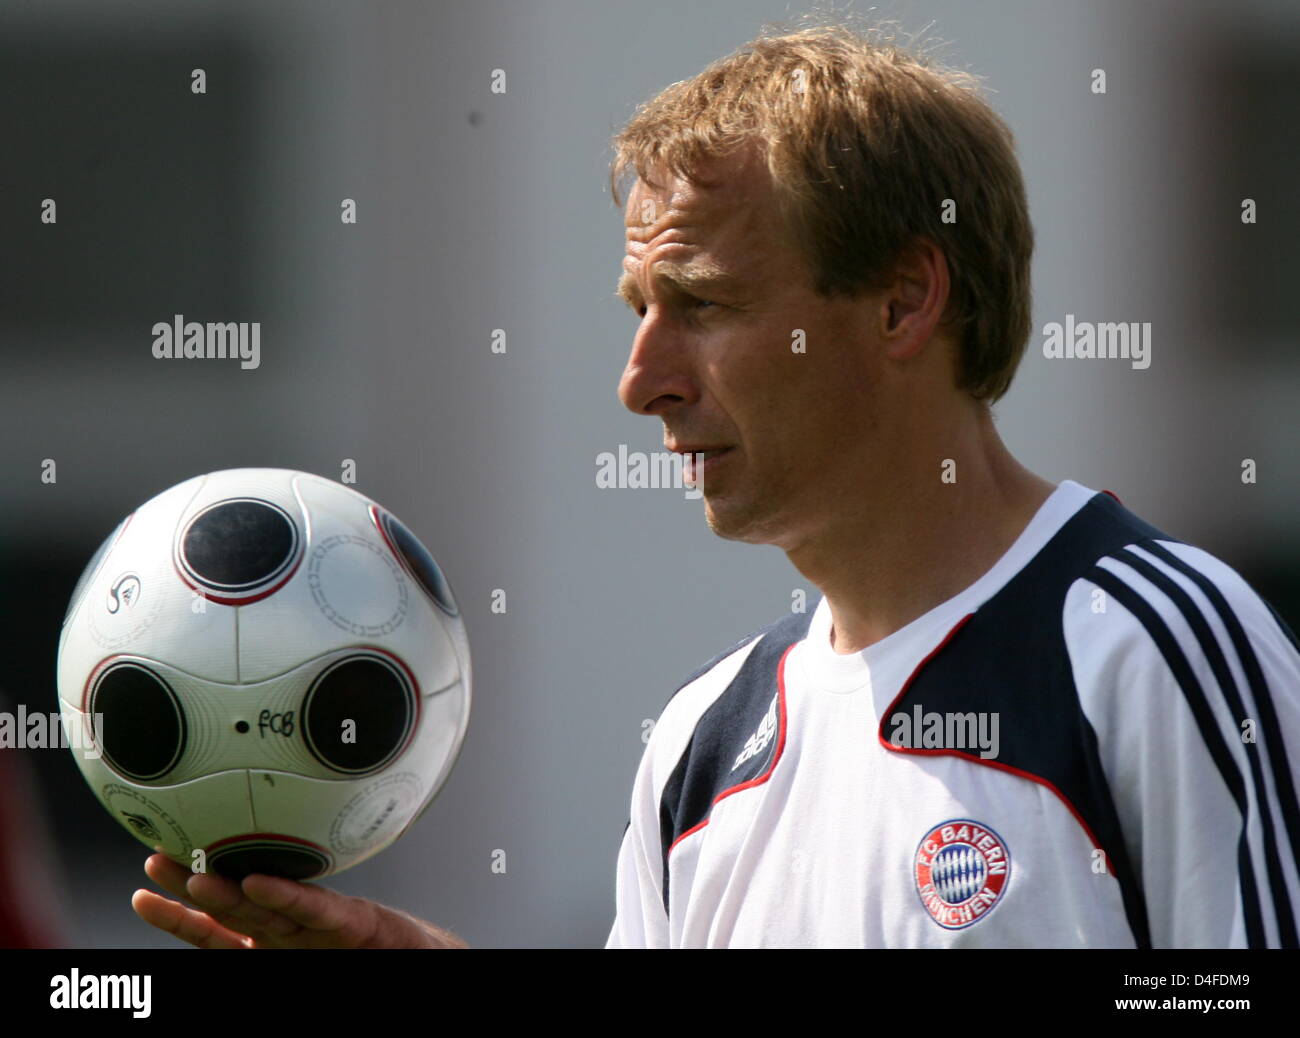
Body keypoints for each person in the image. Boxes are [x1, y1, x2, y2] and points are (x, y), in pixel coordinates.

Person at [133, 22, 1300, 949]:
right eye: (641, 314)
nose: (642, 383)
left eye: (702, 305)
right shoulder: (704, 741)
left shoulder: (1148, 652)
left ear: (902, 302)